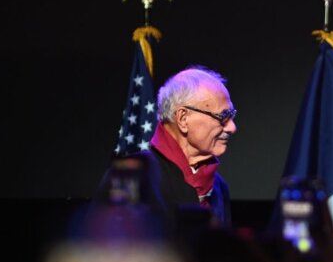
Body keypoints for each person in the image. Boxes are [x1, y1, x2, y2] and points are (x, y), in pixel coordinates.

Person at [98, 66, 235, 230]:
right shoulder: (132, 175)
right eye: (223, 117)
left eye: (232, 116)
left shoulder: (219, 186)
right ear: (183, 118)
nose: (232, 128)